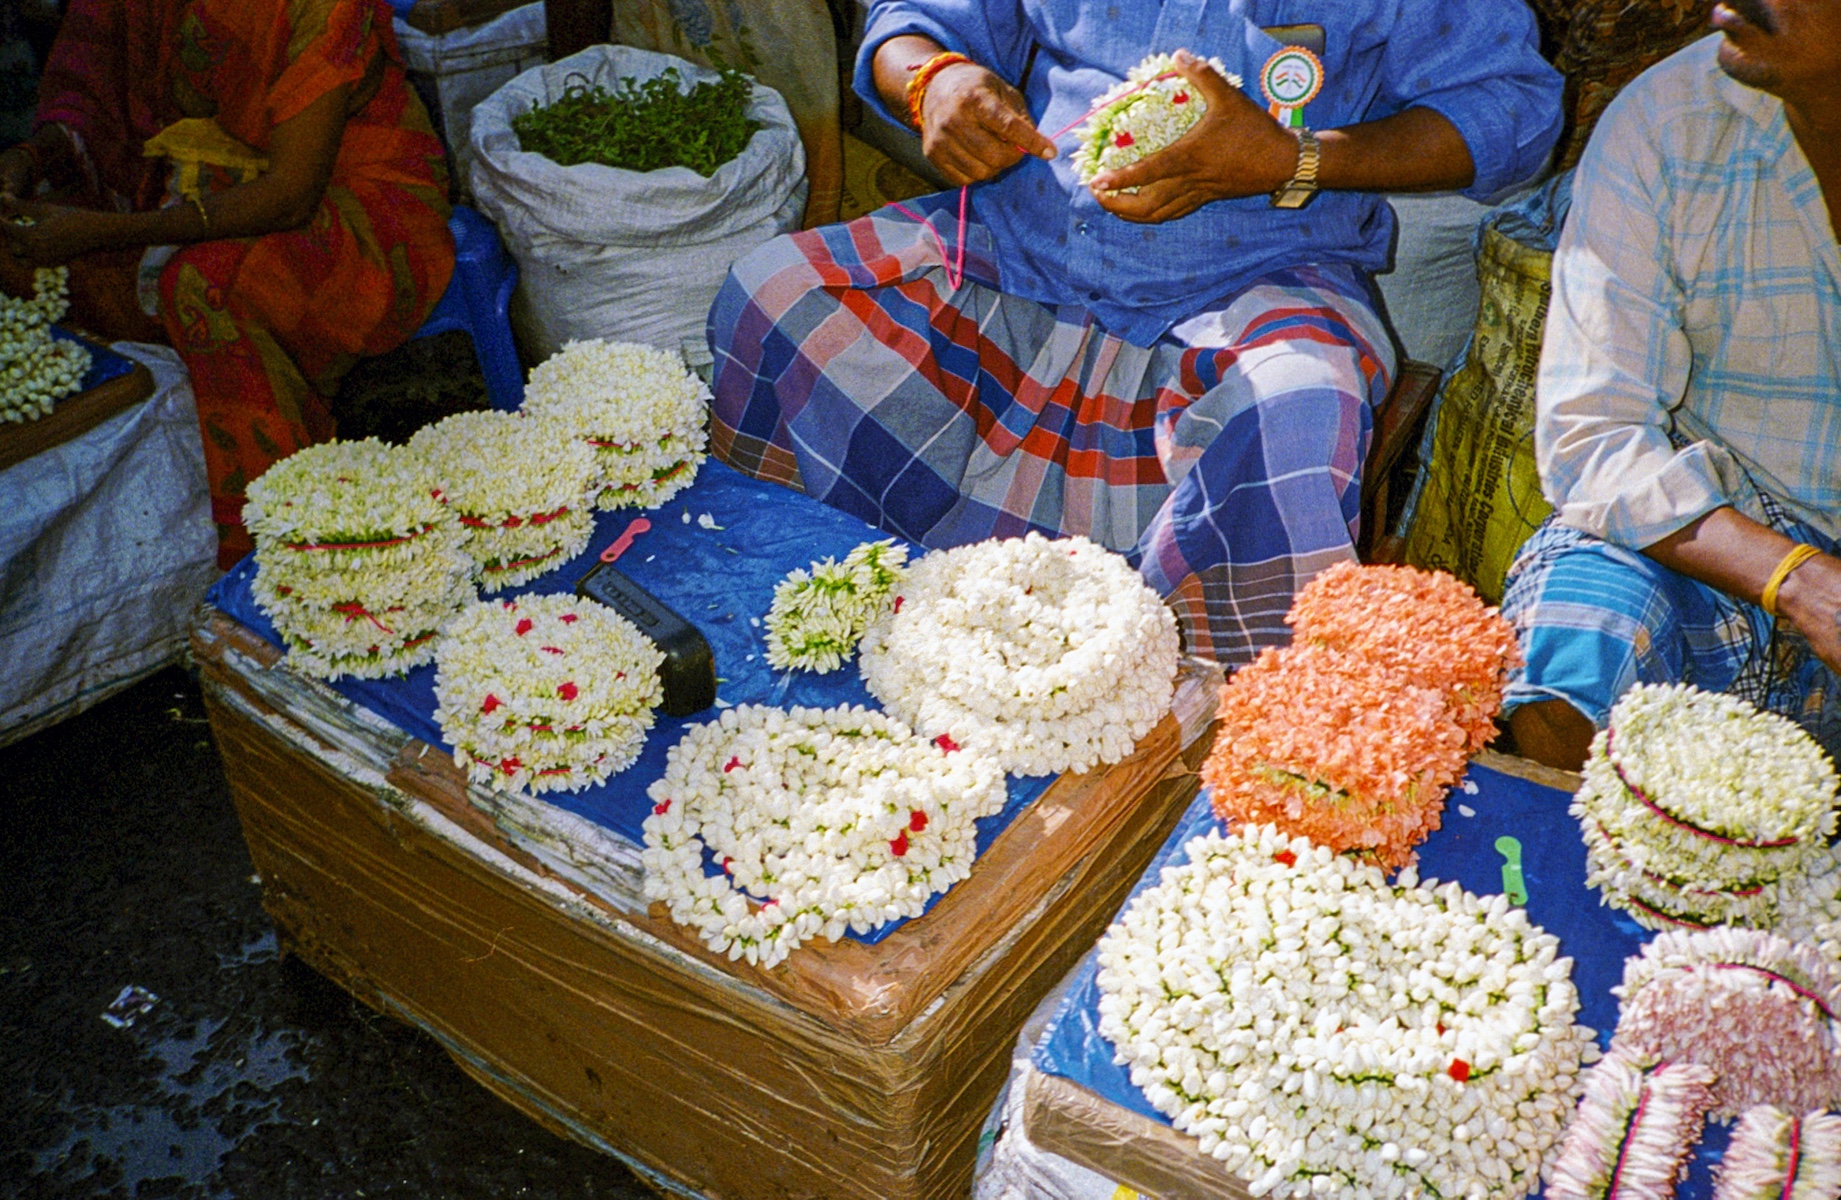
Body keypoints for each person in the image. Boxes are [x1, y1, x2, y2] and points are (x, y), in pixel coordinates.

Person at [707, 0, 1561, 663]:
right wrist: (934, 80)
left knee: (1296, 412)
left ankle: (1179, 737)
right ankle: (838, 621)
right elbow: (916, 25)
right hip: (1014, 244)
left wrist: (1290, 160)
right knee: (779, 296)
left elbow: (1511, 116)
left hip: (1256, 276)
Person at [1502, 0, 1841, 769]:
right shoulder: (1667, 119)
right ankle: (1578, 876)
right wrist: (1797, 580)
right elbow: (1592, 436)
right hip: (1734, 531)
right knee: (1575, 645)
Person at [1, 0, 454, 569]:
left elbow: (290, 196)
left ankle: (285, 545)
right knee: (17, 252)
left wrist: (106, 232)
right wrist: (30, 158)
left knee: (201, 286)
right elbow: (93, 90)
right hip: (188, 180)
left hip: (359, 206)